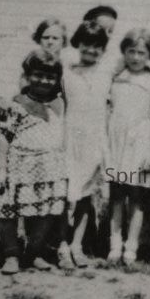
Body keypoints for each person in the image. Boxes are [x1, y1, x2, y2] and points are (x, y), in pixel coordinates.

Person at [0, 51, 68, 275]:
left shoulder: (59, 103)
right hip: (19, 166)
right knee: (9, 210)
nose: (44, 81)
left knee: (45, 212)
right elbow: (3, 136)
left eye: (50, 77)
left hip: (49, 168)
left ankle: (33, 253)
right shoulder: (16, 104)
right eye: (38, 75)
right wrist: (0, 168)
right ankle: (11, 254)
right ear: (28, 75)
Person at [105, 28, 150, 266]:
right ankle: (114, 245)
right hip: (116, 141)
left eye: (142, 53)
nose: (136, 57)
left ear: (149, 55)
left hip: (140, 142)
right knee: (117, 196)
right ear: (124, 52)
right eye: (131, 51)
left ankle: (132, 246)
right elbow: (108, 109)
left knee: (137, 197)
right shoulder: (116, 76)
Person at [57, 24, 111, 270]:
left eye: (98, 46)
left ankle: (77, 245)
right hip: (70, 138)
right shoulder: (66, 73)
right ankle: (61, 245)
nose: (91, 49)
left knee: (85, 195)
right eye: (87, 43)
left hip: (93, 140)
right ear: (78, 43)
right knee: (64, 193)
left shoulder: (107, 73)